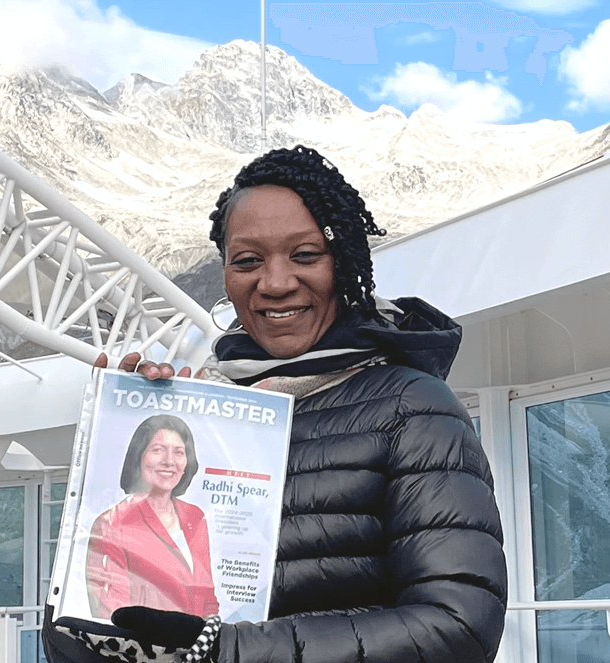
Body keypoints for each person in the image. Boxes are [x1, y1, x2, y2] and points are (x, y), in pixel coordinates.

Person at [44, 145, 507, 663]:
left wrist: (226, 652)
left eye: (305, 255)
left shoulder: (411, 406)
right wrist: (109, 446)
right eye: (248, 261)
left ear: (343, 261)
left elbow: (458, 628)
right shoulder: (210, 410)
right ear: (225, 274)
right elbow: (77, 640)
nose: (277, 283)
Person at [85, 414, 219, 619]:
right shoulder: (112, 523)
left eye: (179, 452)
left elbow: (207, 598)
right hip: (145, 647)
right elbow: (111, 611)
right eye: (158, 450)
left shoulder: (195, 517)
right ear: (139, 456)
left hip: (198, 646)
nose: (169, 462)